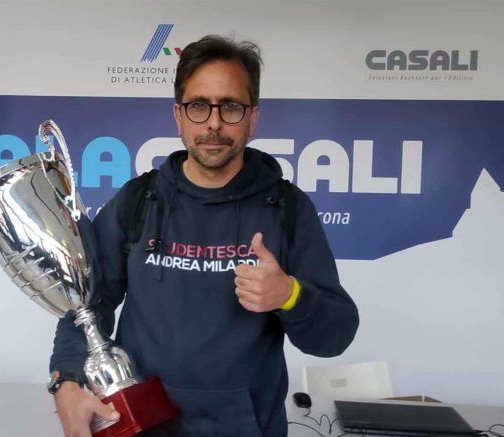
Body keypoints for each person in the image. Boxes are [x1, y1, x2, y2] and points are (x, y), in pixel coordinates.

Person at [50, 35, 359, 436]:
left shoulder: (287, 208)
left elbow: (335, 336)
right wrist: (66, 379)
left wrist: (289, 295)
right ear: (178, 115)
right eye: (199, 106)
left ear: (253, 117)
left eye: (230, 106)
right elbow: (87, 304)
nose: (214, 123)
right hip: (143, 426)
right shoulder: (138, 200)